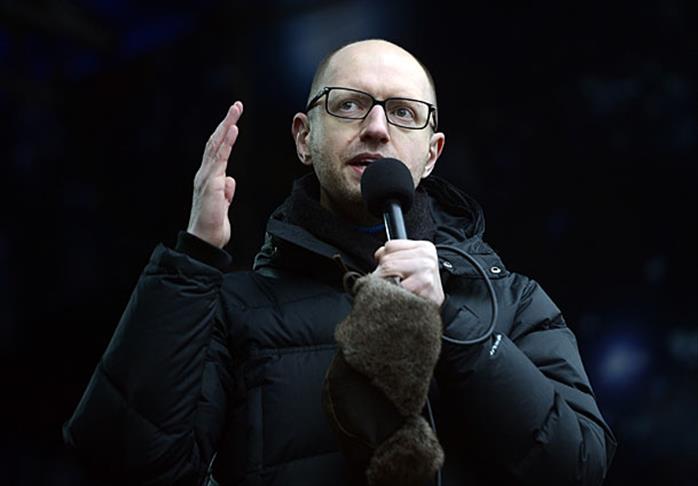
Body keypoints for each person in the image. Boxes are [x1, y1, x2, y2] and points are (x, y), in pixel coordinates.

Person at [63, 39, 616, 485]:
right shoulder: (235, 308)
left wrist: (453, 323)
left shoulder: (511, 299)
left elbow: (579, 465)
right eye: (349, 104)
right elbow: (125, 461)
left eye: (403, 112)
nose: (376, 127)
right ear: (304, 138)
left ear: (431, 154)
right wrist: (195, 256)